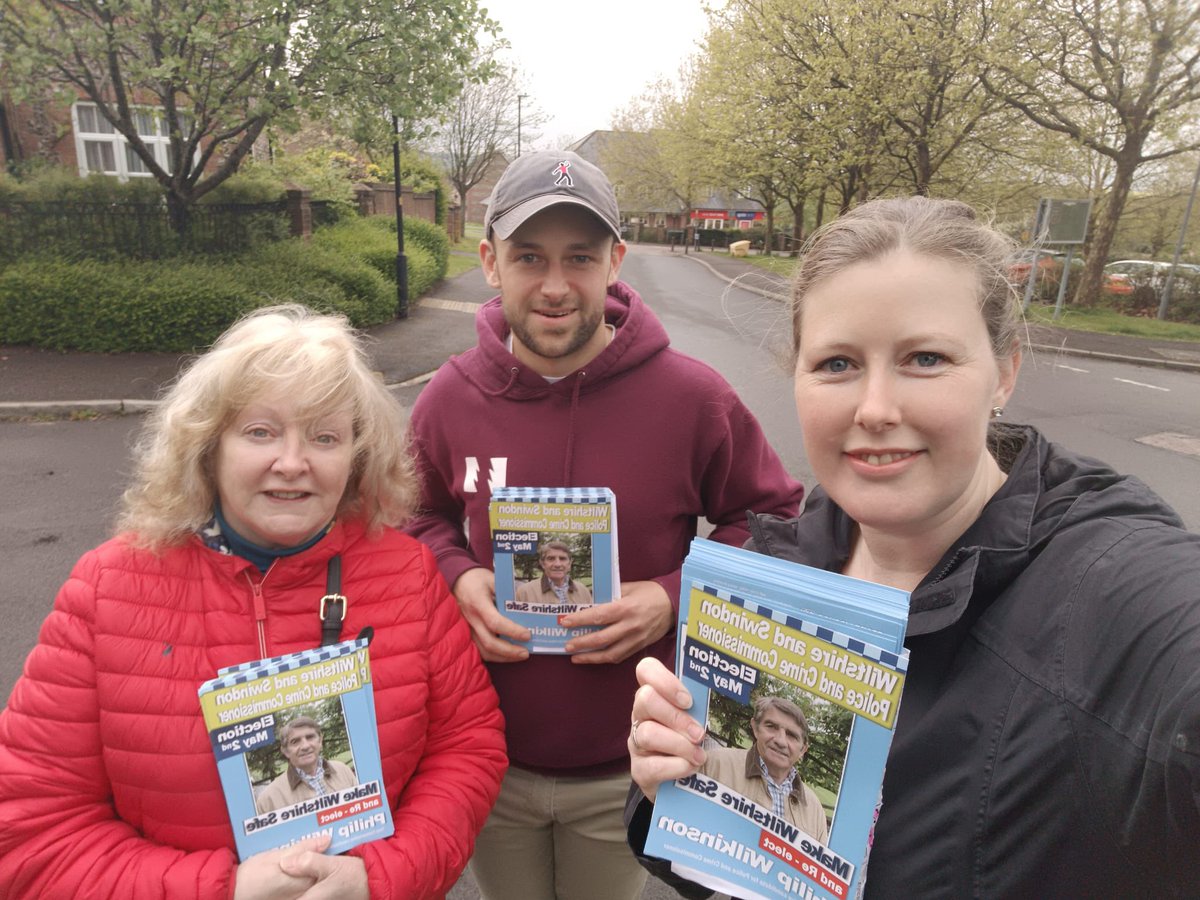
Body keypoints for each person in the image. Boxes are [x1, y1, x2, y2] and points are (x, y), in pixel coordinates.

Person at [625, 196, 1200, 898]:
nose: (874, 409)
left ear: (1005, 370)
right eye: (837, 364)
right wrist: (666, 787)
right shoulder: (777, 573)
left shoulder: (1106, 584)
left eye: (925, 358)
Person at [0, 305, 507, 899]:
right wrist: (223, 891)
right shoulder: (107, 588)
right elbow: (31, 834)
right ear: (207, 446)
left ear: (357, 458)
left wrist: (381, 878)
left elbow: (466, 748)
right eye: (260, 432)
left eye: (324, 436)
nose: (292, 463)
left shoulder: (408, 573)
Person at [405, 149, 805, 900]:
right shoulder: (448, 400)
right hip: (487, 755)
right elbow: (412, 516)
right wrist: (456, 575)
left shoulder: (692, 397)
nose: (555, 286)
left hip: (626, 769)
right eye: (530, 258)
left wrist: (676, 593)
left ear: (615, 261)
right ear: (490, 262)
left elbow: (776, 518)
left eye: (580, 258)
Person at [698, 697, 828, 842]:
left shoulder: (814, 808)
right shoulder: (714, 764)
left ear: (803, 749)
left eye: (791, 735)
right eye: (771, 726)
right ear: (755, 727)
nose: (780, 741)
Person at [255, 716, 358, 815]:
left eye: (310, 737)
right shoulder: (268, 800)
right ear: (285, 751)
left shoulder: (343, 770)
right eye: (295, 741)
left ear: (320, 741)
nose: (305, 746)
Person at [514, 540, 593, 606]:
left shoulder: (583, 591)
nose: (557, 564)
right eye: (551, 559)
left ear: (569, 563)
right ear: (542, 563)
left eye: (562, 559)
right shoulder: (524, 592)